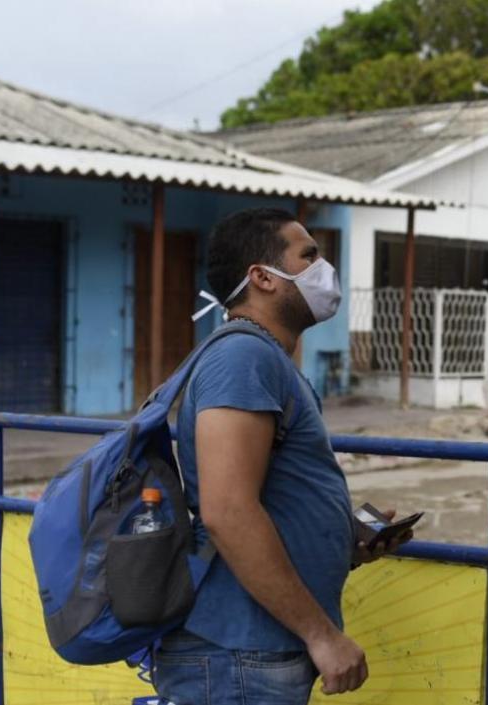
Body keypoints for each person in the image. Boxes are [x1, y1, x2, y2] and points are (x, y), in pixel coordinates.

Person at [156, 208, 409, 705]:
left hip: (253, 654)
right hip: (238, 656)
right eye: (308, 256)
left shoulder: (267, 359)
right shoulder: (241, 358)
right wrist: (321, 635)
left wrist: (341, 537)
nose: (324, 269)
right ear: (262, 278)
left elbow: (266, 497)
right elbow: (228, 511)